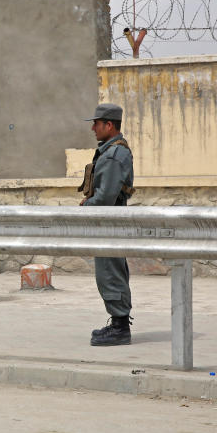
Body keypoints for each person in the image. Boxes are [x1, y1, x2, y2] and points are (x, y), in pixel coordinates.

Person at [80, 103, 135, 347]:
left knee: (109, 272)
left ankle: (121, 327)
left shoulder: (113, 154)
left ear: (109, 125)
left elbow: (105, 198)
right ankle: (118, 322)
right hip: (109, 222)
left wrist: (86, 207)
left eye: (97, 123)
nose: (93, 128)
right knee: (110, 270)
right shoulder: (110, 150)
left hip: (109, 223)